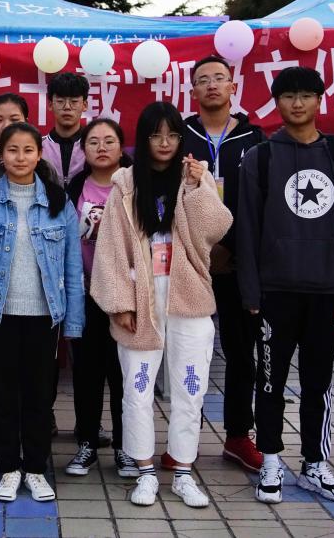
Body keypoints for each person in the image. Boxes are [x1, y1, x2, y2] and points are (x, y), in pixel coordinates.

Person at [90, 102, 232, 508]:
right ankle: (145, 471)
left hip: (189, 297)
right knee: (137, 389)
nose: (165, 143)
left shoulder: (194, 177)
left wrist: (199, 187)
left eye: (172, 135)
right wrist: (118, 302)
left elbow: (217, 228)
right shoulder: (125, 183)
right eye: (156, 135)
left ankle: (183, 471)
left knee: (191, 386)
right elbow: (110, 248)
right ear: (144, 138)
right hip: (141, 296)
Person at [237, 66, 334, 505]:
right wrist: (250, 290)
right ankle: (271, 460)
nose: (297, 104)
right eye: (288, 96)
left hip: (327, 291)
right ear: (276, 102)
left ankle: (315, 463)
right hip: (274, 293)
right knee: (269, 381)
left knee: (318, 382)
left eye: (306, 95)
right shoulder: (260, 158)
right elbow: (248, 230)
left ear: (319, 100)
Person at [0, 122, 84, 504]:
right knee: (2, 395)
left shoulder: (59, 202)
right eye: (13, 150)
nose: (20, 157)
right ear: (0, 155)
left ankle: (36, 469)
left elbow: (72, 267)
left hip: (45, 317)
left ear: (39, 155)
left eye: (28, 150)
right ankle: (9, 467)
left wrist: (74, 321)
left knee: (39, 396)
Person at [179, 54, 267, 473]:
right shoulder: (180, 136)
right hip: (190, 263)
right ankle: (184, 438)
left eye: (219, 78)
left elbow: (263, 203)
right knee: (186, 353)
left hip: (238, 264)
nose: (211, 85)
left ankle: (237, 436)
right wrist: (201, 249)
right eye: (203, 79)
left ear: (233, 87)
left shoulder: (256, 139)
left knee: (241, 353)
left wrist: (230, 249)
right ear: (192, 90)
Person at [64, 118, 136, 479]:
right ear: (84, 150)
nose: (102, 147)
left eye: (109, 140)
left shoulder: (135, 184)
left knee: (123, 373)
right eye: (93, 142)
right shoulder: (75, 187)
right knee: (86, 372)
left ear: (122, 147)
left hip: (126, 295)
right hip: (86, 292)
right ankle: (87, 443)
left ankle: (126, 446)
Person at [42, 72, 89, 185]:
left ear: (84, 105)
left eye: (74, 101)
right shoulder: (38, 146)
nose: (67, 107)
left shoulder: (93, 145)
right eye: (60, 101)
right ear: (50, 105)